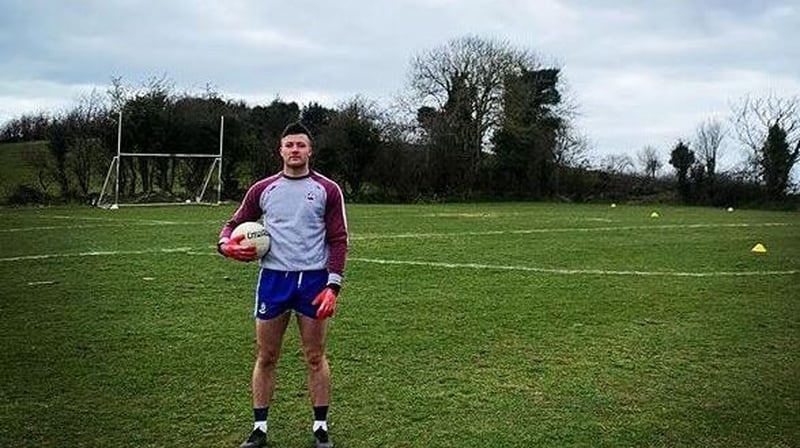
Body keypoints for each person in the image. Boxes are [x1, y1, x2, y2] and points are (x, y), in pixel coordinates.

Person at [217, 121, 348, 448]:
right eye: (289, 145)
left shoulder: (327, 189)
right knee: (266, 356)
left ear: (309, 150)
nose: (294, 150)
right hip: (273, 280)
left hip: (314, 281)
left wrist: (333, 287)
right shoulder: (263, 189)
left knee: (315, 356)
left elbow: (339, 239)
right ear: (280, 150)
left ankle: (320, 427)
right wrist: (224, 244)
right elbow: (234, 222)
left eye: (300, 145)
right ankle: (259, 428)